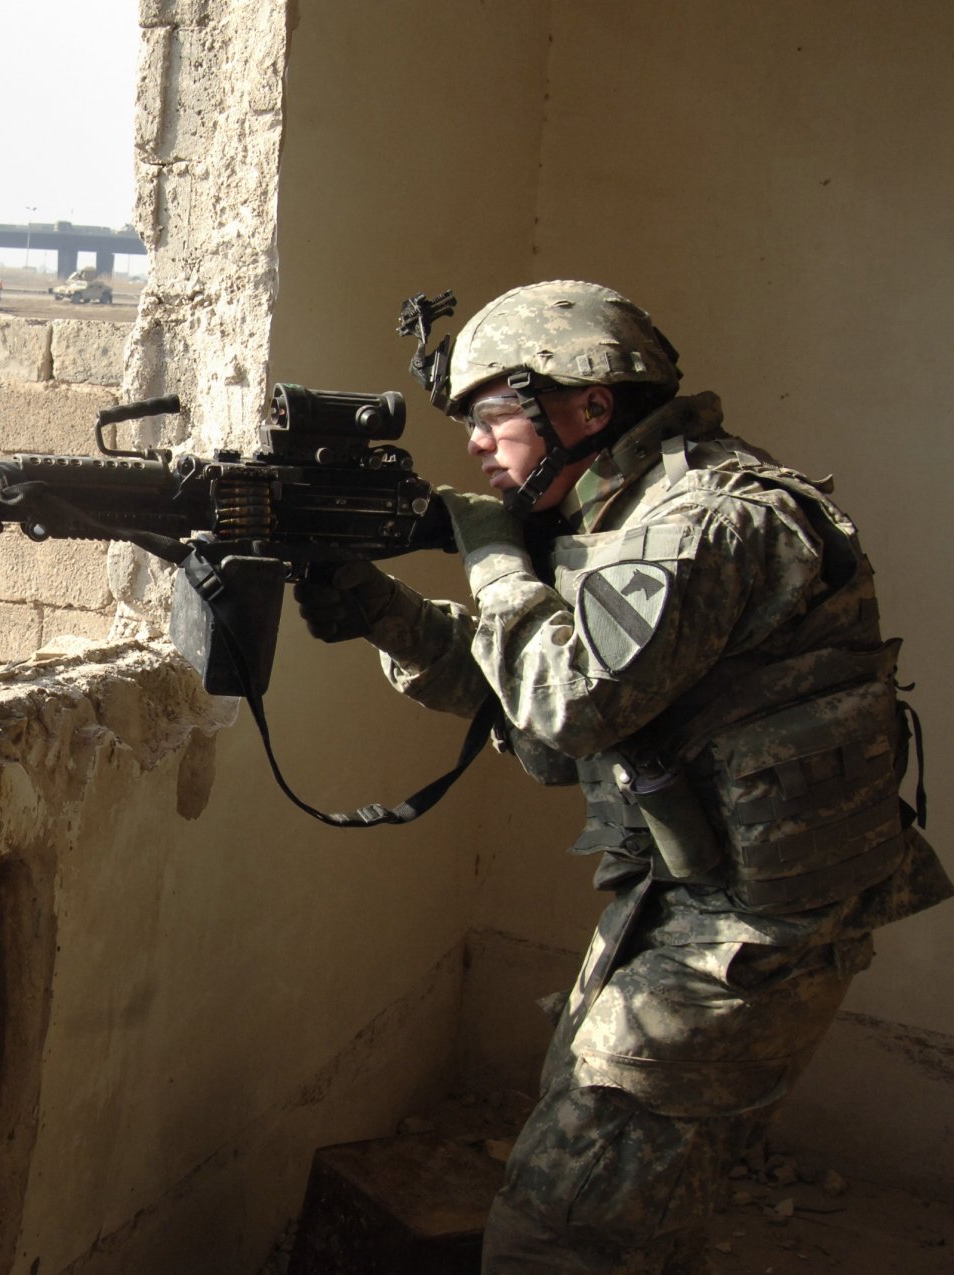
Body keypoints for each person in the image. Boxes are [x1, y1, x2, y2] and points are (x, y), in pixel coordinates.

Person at [295, 280, 949, 1272]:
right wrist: (387, 613)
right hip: (688, 910)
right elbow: (554, 729)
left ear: (589, 406)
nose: (475, 443)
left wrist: (494, 562)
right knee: (613, 1201)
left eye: (491, 416)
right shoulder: (620, 516)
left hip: (747, 938)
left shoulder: (702, 521)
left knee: (563, 1236)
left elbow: (570, 706)